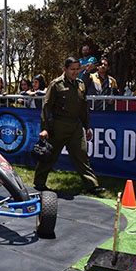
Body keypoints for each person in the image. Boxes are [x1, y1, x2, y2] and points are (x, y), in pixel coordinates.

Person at [34, 57, 105, 195]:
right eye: (72, 69)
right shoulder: (56, 84)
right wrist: (44, 128)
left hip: (75, 127)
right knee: (50, 156)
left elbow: (83, 108)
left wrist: (87, 127)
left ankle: (92, 185)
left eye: (77, 69)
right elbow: (46, 107)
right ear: (65, 69)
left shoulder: (80, 84)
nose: (75, 72)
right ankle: (39, 183)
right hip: (58, 126)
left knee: (81, 156)